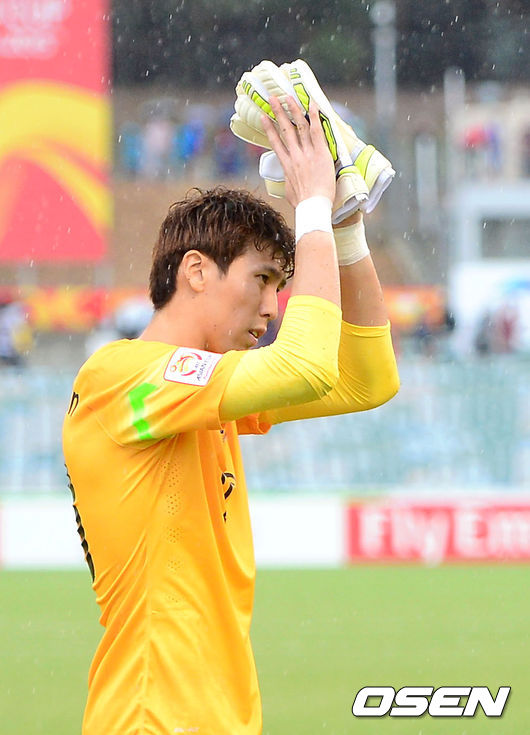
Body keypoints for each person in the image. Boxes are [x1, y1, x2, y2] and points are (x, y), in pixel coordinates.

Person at [63, 96, 399, 735]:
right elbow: (305, 367)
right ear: (196, 271)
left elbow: (368, 378)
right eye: (262, 279)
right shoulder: (120, 379)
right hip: (153, 719)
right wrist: (311, 206)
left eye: (281, 286)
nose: (273, 308)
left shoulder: (201, 398)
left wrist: (345, 224)